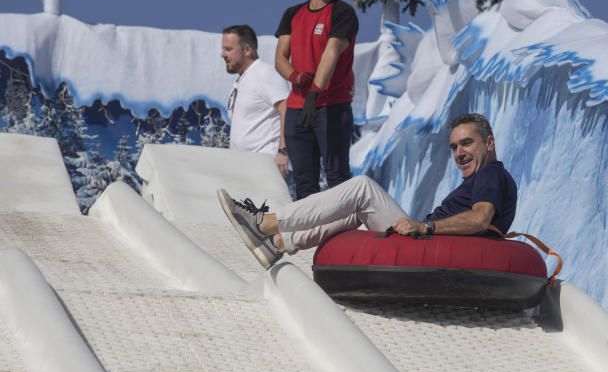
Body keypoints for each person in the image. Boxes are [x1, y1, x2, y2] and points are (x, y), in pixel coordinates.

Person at [218, 113, 517, 270]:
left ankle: (267, 223)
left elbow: (480, 218)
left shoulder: (491, 173)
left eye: (467, 143)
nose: (459, 152)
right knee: (358, 210)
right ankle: (279, 243)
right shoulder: (482, 177)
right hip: (430, 244)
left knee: (362, 188)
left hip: (427, 246)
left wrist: (425, 226)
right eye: (454, 146)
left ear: (488, 143)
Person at [274, 0, 359, 199]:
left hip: (331, 105)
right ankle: (310, 236)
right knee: (304, 182)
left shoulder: (343, 12)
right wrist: (295, 77)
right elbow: (280, 57)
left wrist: (314, 93)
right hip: (298, 108)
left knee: (337, 177)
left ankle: (346, 234)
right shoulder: (292, 14)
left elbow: (332, 52)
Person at [221, 24, 289, 175]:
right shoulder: (240, 82)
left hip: (265, 166)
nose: (223, 54)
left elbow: (287, 108)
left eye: (229, 49)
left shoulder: (265, 74)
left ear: (247, 50)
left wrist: (283, 151)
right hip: (244, 169)